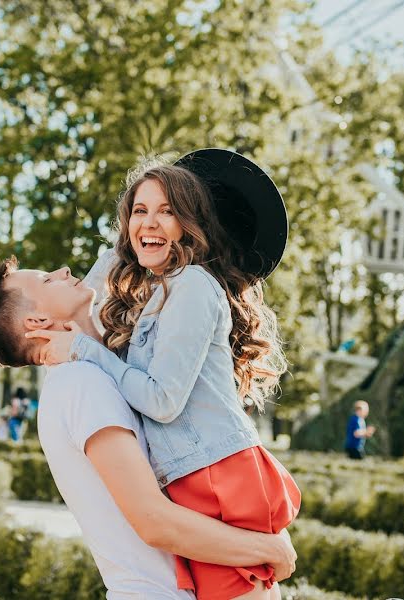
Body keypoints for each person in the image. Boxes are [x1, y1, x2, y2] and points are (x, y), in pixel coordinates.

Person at [26, 150, 300, 600]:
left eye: (167, 212)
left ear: (192, 225)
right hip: (196, 475)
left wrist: (81, 349)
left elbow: (161, 401)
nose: (149, 222)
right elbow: (98, 279)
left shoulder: (190, 284)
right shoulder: (159, 292)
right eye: (139, 211)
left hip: (217, 474)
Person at [0, 259, 296, 599]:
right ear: (37, 322)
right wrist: (268, 549)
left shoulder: (100, 371)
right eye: (48, 280)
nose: (63, 270)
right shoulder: (81, 383)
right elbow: (154, 520)